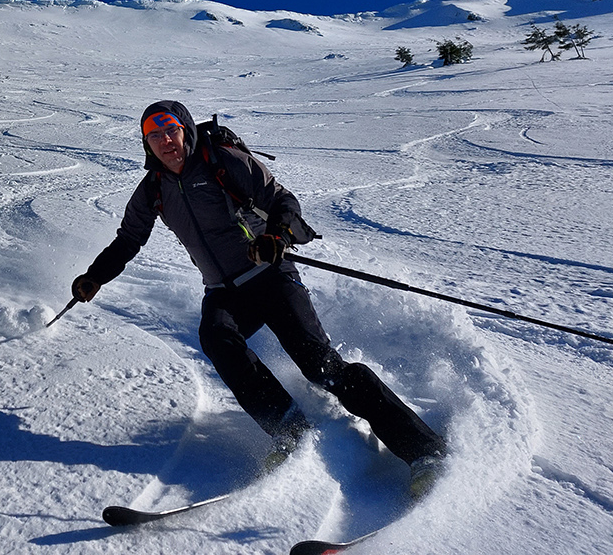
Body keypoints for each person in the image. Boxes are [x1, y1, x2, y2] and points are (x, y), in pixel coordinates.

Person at [71, 100, 446, 495]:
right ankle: (288, 428)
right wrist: (95, 276)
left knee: (321, 367)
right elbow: (129, 239)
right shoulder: (153, 189)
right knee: (217, 337)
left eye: (171, 130)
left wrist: (276, 237)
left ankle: (424, 450)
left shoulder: (222, 161)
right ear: (146, 144)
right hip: (223, 290)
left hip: (270, 276)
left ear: (185, 131)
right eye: (154, 135)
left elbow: (283, 201)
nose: (165, 141)